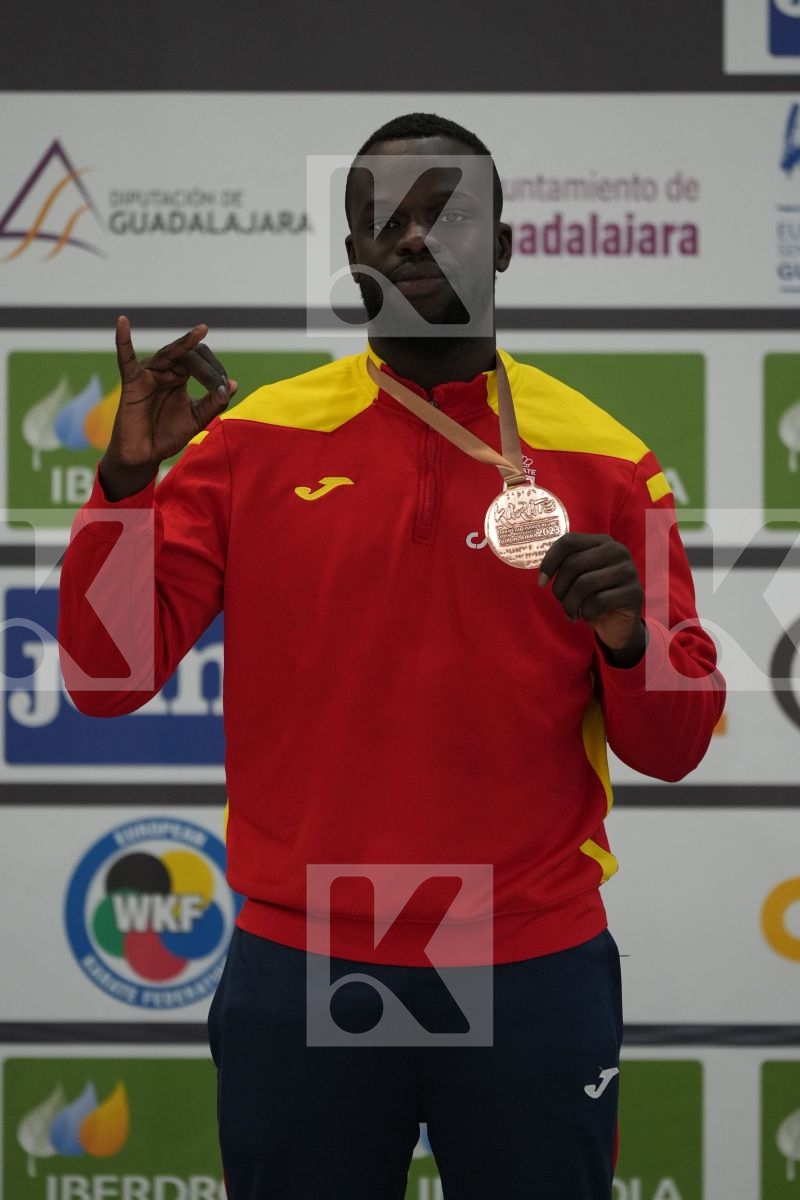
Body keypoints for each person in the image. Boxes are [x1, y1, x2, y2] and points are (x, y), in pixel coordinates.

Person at [58, 112, 725, 1200]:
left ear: (502, 245)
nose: (412, 237)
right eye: (382, 221)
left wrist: (628, 639)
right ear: (353, 253)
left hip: (527, 959)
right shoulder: (253, 442)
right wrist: (126, 490)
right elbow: (102, 676)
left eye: (444, 215)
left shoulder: (607, 462)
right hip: (306, 956)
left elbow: (675, 745)